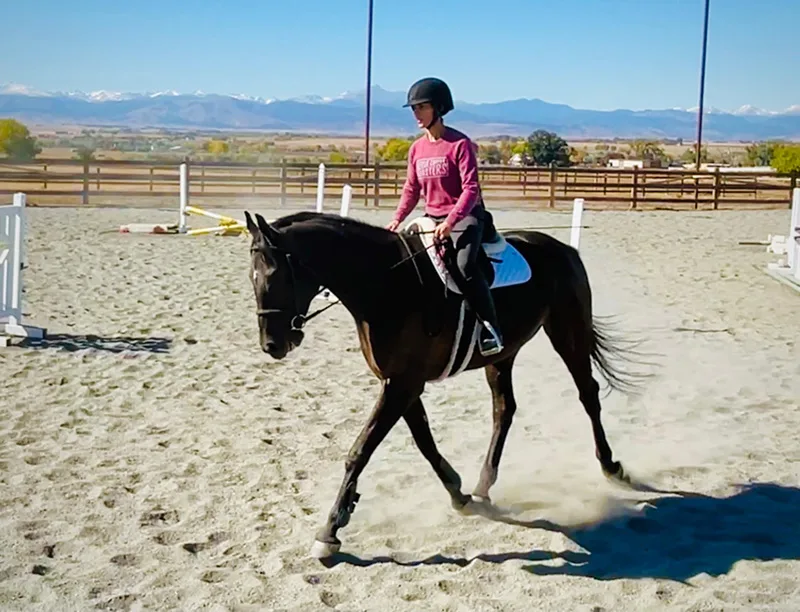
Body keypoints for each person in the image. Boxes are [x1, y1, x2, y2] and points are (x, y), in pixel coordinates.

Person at [386, 77, 504, 357]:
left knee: (464, 266)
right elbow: (411, 189)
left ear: (439, 108)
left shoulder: (460, 144)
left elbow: (471, 189)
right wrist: (397, 219)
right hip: (431, 218)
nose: (416, 113)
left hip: (466, 217)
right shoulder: (416, 149)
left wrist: (451, 222)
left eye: (422, 107)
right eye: (413, 108)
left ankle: (491, 328)